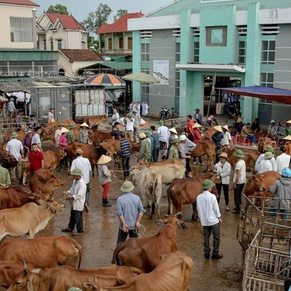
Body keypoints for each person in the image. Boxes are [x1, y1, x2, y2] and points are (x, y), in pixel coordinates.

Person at [197, 179, 223, 260]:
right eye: (211, 186)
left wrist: (201, 218)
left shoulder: (199, 197)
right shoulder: (212, 196)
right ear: (209, 188)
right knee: (216, 237)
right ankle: (215, 253)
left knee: (206, 237)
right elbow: (216, 208)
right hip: (213, 221)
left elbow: (198, 209)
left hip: (205, 221)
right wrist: (219, 217)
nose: (212, 188)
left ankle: (207, 253)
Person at [115, 181, 145, 245]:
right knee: (134, 244)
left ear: (123, 189)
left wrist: (124, 224)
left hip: (124, 226)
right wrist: (138, 222)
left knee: (120, 242)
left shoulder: (120, 199)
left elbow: (120, 214)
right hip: (134, 225)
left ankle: (118, 254)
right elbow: (141, 211)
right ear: (131, 188)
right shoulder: (137, 198)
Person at [62, 168, 86, 235]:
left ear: (78, 176)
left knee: (78, 217)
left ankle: (80, 230)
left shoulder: (82, 184)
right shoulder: (75, 181)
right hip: (73, 202)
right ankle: (70, 227)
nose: (74, 177)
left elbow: (79, 195)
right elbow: (72, 189)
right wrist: (67, 192)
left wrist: (71, 197)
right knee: (72, 215)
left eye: (75, 176)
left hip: (78, 203)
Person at [232, 150, 246, 214]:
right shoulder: (243, 162)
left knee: (236, 196)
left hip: (238, 182)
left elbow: (238, 174)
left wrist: (235, 183)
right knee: (239, 195)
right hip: (243, 181)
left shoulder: (238, 164)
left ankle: (237, 209)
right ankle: (239, 206)